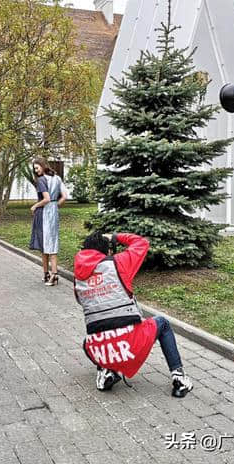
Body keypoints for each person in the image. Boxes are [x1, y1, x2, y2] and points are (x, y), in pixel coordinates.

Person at [74, 231, 193, 397]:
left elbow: (83, 302)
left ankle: (106, 371)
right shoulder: (118, 263)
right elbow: (141, 243)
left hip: (100, 348)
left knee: (88, 342)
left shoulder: (78, 277)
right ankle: (179, 378)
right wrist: (116, 237)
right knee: (163, 323)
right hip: (130, 344)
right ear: (107, 251)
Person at [29, 158, 67, 286]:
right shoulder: (57, 178)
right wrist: (55, 206)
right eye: (35, 168)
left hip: (44, 213)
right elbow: (64, 197)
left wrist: (35, 206)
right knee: (52, 242)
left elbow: (46, 199)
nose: (36, 170)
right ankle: (48, 274)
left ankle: (52, 274)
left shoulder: (41, 180)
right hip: (54, 212)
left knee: (45, 244)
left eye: (37, 167)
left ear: (43, 166)